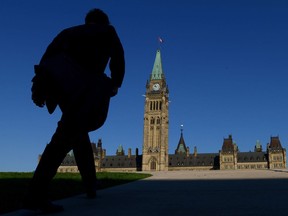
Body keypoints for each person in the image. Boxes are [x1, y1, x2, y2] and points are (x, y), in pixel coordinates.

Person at [26, 9, 125, 213]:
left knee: (78, 135)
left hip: (63, 89)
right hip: (84, 89)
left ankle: (90, 185)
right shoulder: (108, 31)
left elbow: (47, 60)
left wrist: (39, 89)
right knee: (64, 138)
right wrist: (115, 84)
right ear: (103, 22)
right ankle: (37, 194)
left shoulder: (68, 32)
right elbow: (118, 60)